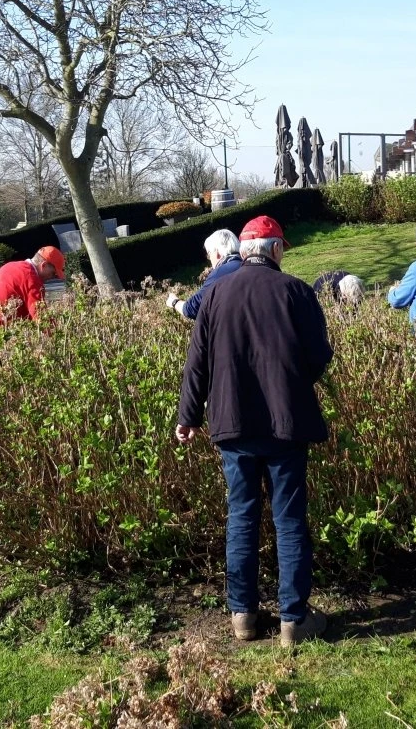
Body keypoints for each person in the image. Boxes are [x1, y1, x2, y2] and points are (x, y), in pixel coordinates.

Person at [176, 215, 333, 647]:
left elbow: (197, 363)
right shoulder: (296, 291)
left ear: (243, 251)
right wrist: (292, 383)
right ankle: (293, 620)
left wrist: (188, 416)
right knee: (289, 519)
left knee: (242, 517)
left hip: (232, 424)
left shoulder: (214, 294)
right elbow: (319, 356)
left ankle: (242, 616)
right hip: (287, 424)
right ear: (276, 249)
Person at [0, 245, 67, 328]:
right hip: (0, 330)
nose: (52, 278)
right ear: (44, 265)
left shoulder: (10, 265)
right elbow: (42, 320)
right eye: (53, 273)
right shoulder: (32, 280)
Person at [165, 229, 242, 319]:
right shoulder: (248, 264)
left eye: (209, 254)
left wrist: (174, 302)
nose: (209, 258)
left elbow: (192, 308)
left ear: (217, 253)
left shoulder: (220, 273)